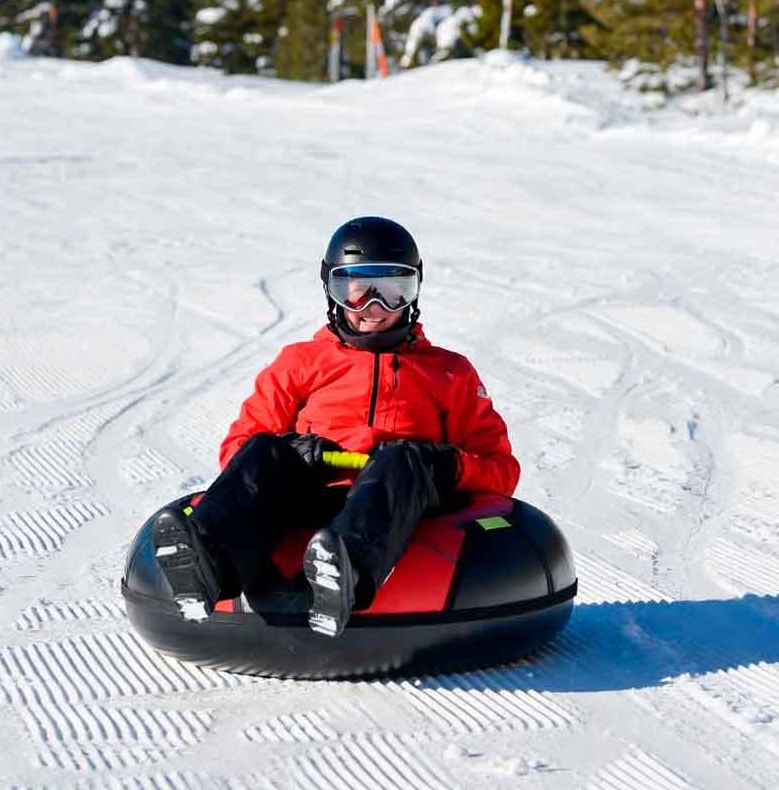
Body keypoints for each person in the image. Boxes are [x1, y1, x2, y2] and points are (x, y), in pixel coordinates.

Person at [153, 216, 519, 637]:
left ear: (415, 291)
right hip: (309, 495)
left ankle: (344, 575)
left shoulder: (450, 374)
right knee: (265, 449)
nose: (375, 307)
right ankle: (207, 567)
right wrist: (297, 451)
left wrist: (444, 465)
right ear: (332, 290)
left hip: (397, 502)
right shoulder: (300, 362)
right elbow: (237, 452)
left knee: (403, 456)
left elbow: (501, 469)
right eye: (357, 289)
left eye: (394, 290)